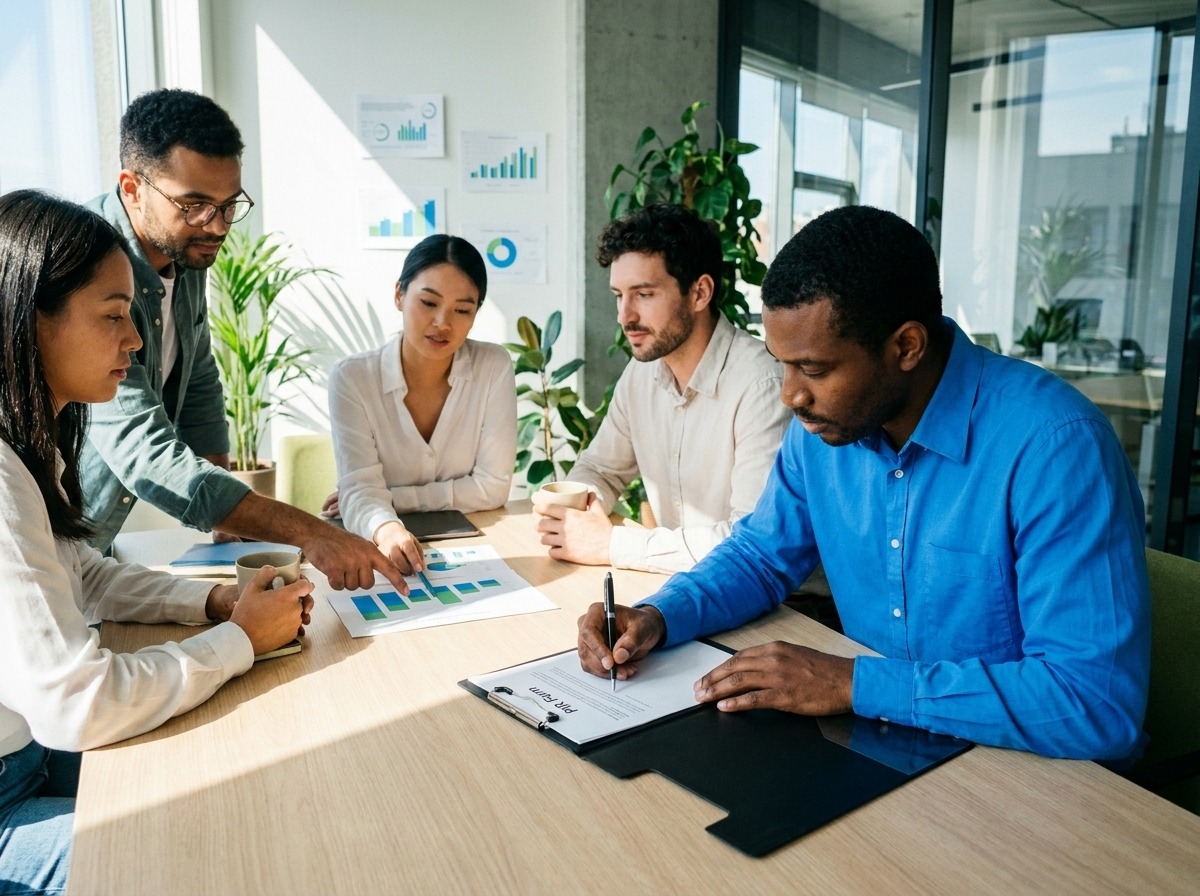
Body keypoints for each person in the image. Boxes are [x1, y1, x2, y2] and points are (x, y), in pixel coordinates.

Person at [577, 204, 1151, 762]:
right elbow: (760, 555)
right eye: (783, 364)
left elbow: (1094, 703)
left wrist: (856, 684)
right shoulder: (824, 426)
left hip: (1029, 778)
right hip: (879, 748)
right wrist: (661, 615)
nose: (789, 395)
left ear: (906, 347)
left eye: (815, 369)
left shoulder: (1055, 448)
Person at [0, 190, 315, 893]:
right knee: (197, 858)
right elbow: (78, 702)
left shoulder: (28, 447)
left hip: (30, 755)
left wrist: (220, 608)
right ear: (29, 320)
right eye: (113, 317)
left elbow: (88, 574)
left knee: (244, 782)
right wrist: (239, 643)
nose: (136, 342)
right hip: (8, 801)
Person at [83, 88, 403, 591]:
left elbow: (201, 381)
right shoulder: (87, 263)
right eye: (194, 205)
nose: (216, 227)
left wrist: (227, 518)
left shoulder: (184, 251)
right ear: (132, 188)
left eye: (228, 206)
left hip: (89, 553)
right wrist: (311, 534)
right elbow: (141, 450)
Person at [535, 204, 790, 574]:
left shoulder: (762, 384)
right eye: (618, 296)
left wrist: (610, 544)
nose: (625, 316)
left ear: (700, 293)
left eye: (644, 294)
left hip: (782, 606)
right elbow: (600, 468)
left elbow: (750, 540)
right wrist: (575, 508)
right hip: (689, 588)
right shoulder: (642, 374)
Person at [327, 234, 516, 573]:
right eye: (428, 303)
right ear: (399, 294)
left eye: (462, 310)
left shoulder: (493, 367)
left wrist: (392, 499)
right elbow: (360, 489)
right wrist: (385, 525)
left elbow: (492, 488)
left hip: (477, 547)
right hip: (382, 549)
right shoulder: (352, 379)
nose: (443, 322)